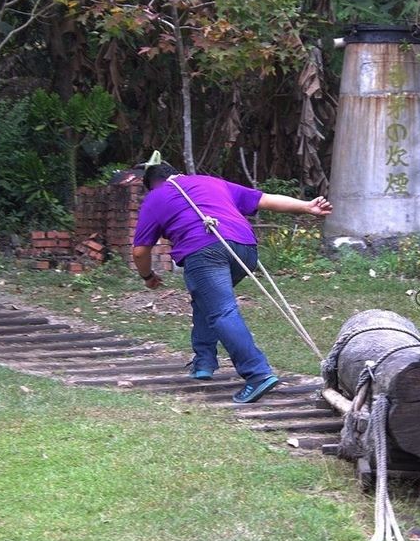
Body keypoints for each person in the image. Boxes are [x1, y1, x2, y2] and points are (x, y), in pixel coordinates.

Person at [131, 162, 332, 404]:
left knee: (221, 311)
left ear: (151, 185)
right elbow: (264, 199)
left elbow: (140, 252)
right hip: (246, 249)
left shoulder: (155, 197)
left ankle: (257, 373)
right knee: (206, 300)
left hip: (204, 250)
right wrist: (308, 207)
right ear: (178, 174)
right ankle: (203, 362)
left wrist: (148, 277)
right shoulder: (210, 181)